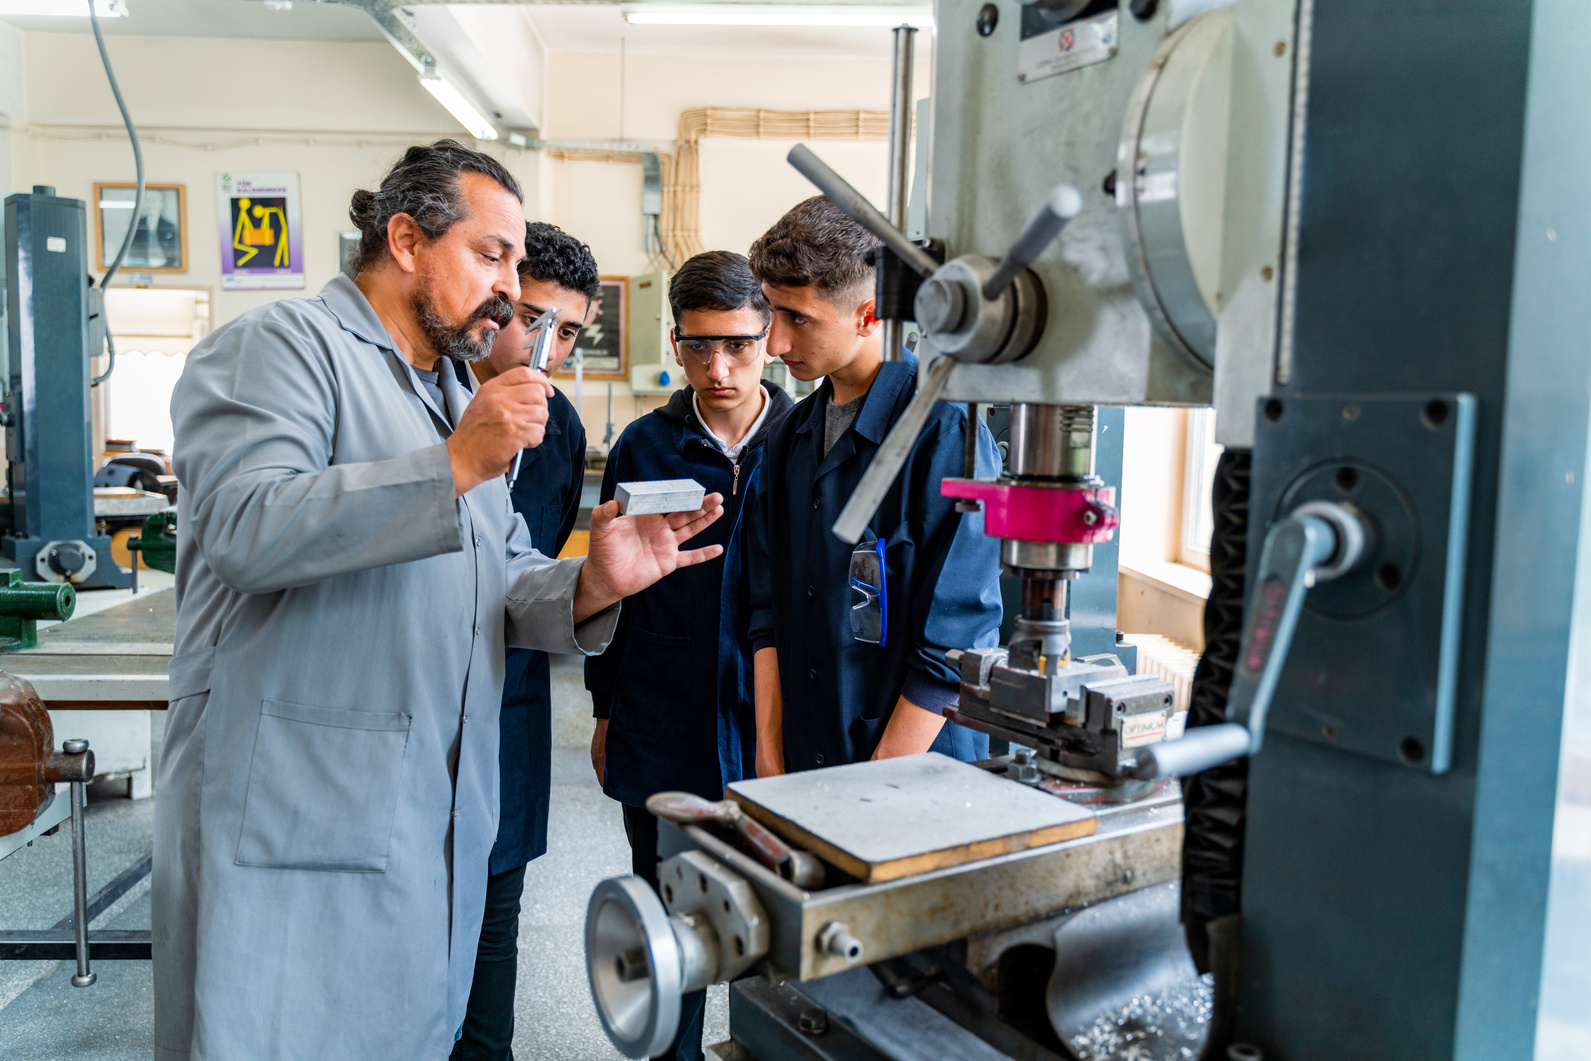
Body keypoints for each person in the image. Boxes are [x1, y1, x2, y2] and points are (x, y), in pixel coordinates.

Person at [154, 139, 725, 1061]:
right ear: (408, 239)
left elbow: (499, 585)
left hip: (427, 812)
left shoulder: (453, 391)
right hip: (298, 809)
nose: (509, 287)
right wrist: (457, 461)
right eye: (491, 255)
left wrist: (593, 581)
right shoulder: (279, 347)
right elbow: (244, 528)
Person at [586, 250, 793, 1061]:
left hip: (772, 728)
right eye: (700, 346)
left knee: (773, 932)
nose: (719, 367)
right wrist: (606, 710)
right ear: (675, 342)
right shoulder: (645, 445)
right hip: (661, 718)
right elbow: (614, 593)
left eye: (738, 345)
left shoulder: (804, 442)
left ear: (769, 337)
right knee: (673, 925)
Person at [746, 195, 1002, 778]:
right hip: (805, 759)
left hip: (916, 774)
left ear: (868, 315)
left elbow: (955, 645)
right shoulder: (788, 439)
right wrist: (767, 749)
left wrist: (874, 782)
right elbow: (766, 610)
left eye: (799, 319)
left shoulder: (946, 437)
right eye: (771, 312)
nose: (775, 344)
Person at [449, 221, 599, 1061]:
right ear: (494, 299)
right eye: (532, 317)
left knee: (496, 912)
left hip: (507, 707)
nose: (547, 347)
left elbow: (525, 587)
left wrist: (594, 586)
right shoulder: (423, 400)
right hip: (419, 705)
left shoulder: (561, 432)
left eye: (568, 331)